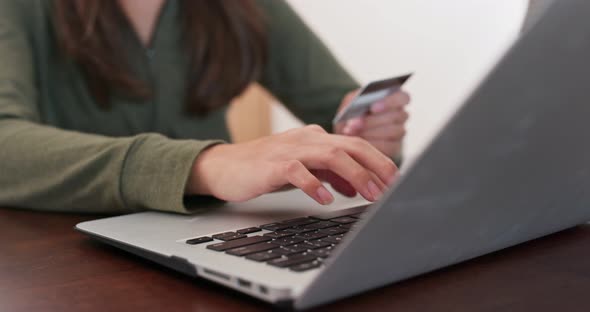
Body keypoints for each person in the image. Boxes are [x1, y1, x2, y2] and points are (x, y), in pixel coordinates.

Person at [0, 0, 410, 214]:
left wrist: (369, 138)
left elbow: (342, 119)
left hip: (210, 237)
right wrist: (202, 165)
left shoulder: (244, 8)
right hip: (64, 255)